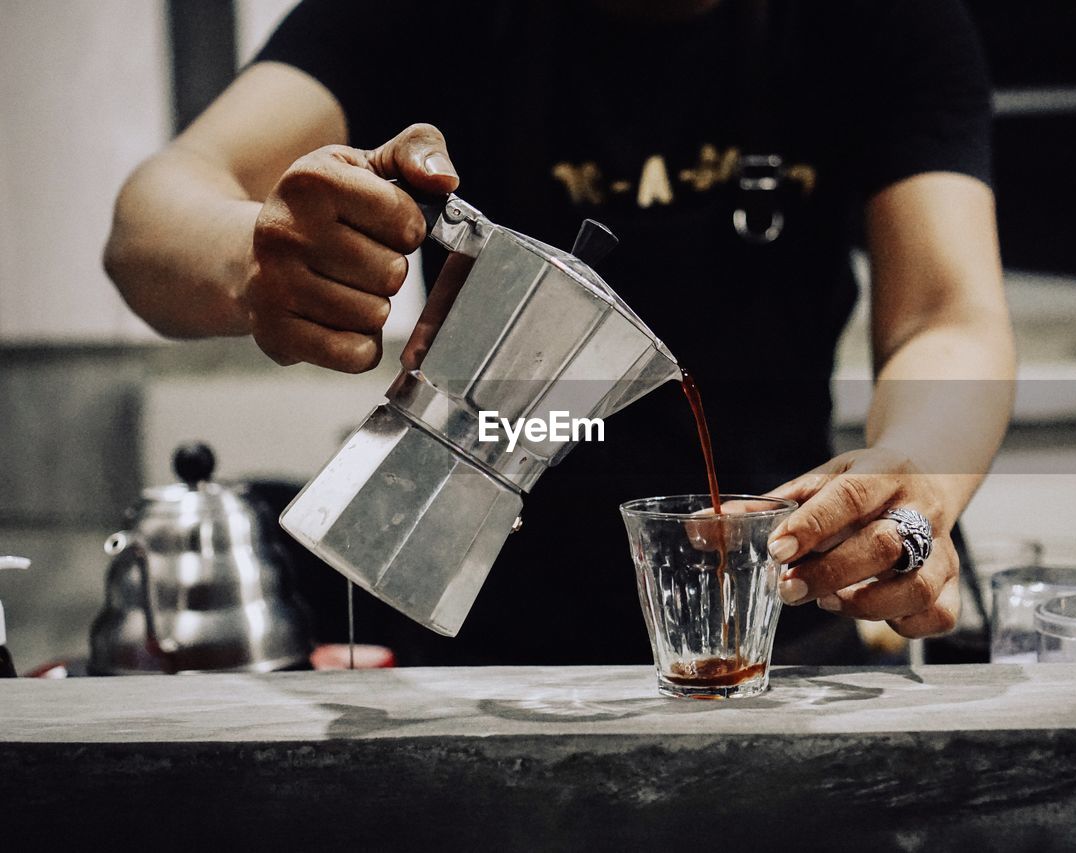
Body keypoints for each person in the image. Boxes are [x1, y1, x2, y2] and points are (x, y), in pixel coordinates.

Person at [104, 0, 1015, 665]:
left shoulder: (883, 23)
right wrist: (253, 257)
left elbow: (947, 312)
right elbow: (149, 221)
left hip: (769, 618)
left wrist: (920, 471)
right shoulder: (424, 18)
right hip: (457, 647)